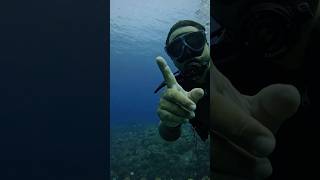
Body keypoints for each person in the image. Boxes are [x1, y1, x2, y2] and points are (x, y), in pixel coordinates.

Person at [155, 20, 300, 179]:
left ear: (207, 44)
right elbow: (168, 134)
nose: (187, 52)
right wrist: (170, 121)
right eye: (177, 49)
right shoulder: (176, 89)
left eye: (195, 41)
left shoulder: (234, 62)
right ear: (173, 58)